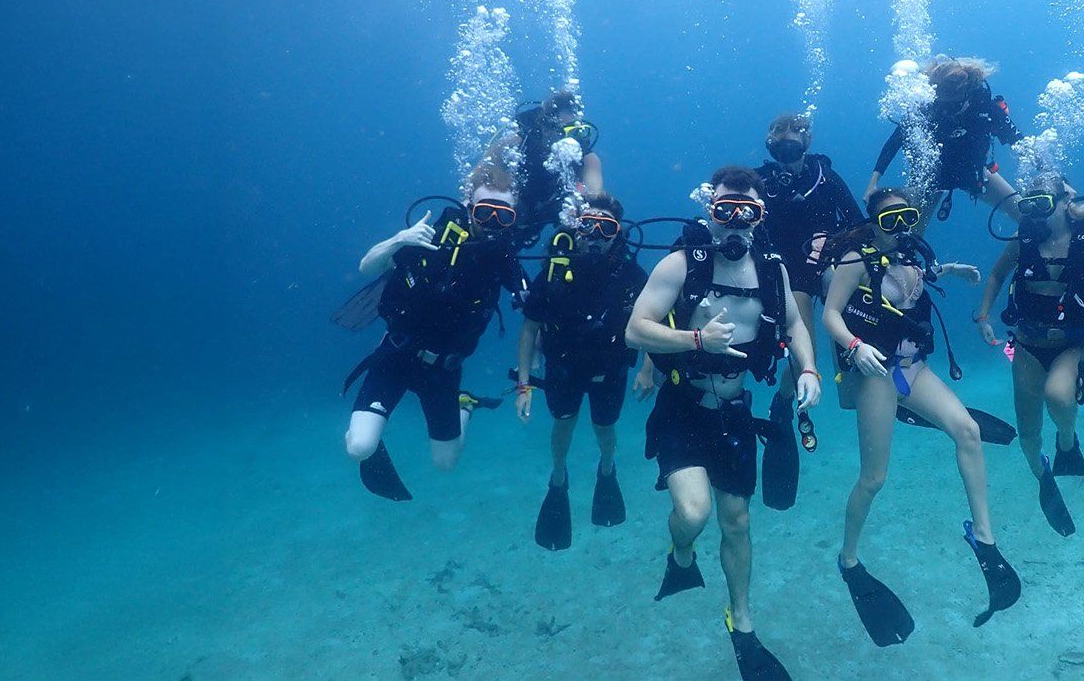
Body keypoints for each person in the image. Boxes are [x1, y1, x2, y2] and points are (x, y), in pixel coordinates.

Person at [624, 166, 822, 680]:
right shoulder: (678, 265)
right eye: (725, 211)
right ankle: (682, 552)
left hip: (733, 411)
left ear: (760, 217)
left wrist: (809, 369)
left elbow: (797, 324)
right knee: (693, 513)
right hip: (681, 406)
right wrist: (695, 341)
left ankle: (743, 619)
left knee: (737, 520)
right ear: (709, 212)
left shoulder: (772, 271)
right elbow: (634, 330)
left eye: (747, 212)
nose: (736, 222)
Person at [820, 190, 1020, 644]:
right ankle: (848, 559)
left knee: (968, 430)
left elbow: (915, 281)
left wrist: (951, 270)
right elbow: (832, 314)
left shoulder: (912, 251)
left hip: (914, 366)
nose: (901, 226)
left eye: (907, 217)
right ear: (873, 223)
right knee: (874, 479)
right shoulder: (855, 259)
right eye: (890, 219)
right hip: (876, 373)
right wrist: (854, 346)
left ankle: (984, 537)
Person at [342, 179, 526, 502]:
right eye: (485, 213)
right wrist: (401, 239)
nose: (494, 224)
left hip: (443, 372)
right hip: (395, 357)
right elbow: (366, 266)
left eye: (504, 216)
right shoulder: (429, 238)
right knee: (360, 447)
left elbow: (534, 302)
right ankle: (371, 433)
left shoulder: (503, 259)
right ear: (469, 208)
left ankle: (464, 405)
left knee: (446, 464)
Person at [512, 193, 651, 551]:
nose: (595, 235)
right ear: (575, 229)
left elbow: (654, 321)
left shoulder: (632, 275)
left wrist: (648, 369)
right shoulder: (554, 271)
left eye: (606, 228)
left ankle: (607, 466)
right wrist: (524, 383)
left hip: (610, 370)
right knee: (564, 425)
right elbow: (529, 329)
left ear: (618, 234)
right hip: (563, 370)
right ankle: (559, 475)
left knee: (605, 428)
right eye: (587, 225)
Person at [974, 180, 1084, 537]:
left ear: (1066, 201)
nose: (1037, 211)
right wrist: (984, 315)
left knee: (1059, 396)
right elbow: (998, 274)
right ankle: (1042, 472)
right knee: (1028, 432)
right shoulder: (1025, 239)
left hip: (1073, 342)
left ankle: (1067, 440)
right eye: (1031, 203)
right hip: (1029, 342)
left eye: (1045, 201)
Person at [754, 112, 864, 509]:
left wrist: (831, 242)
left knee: (851, 297)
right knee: (805, 350)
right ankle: (784, 401)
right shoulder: (760, 181)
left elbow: (857, 223)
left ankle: (859, 379)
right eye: (778, 133)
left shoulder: (825, 176)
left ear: (808, 139)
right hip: (785, 271)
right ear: (769, 141)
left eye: (793, 133)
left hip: (824, 261)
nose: (786, 140)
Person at [867, 56, 1024, 221]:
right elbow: (894, 141)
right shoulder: (928, 106)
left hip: (972, 173)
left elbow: (1018, 141)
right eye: (942, 104)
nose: (947, 111)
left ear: (967, 93)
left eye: (952, 105)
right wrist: (872, 184)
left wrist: (1043, 169)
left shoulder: (985, 107)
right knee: (906, 235)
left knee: (1024, 214)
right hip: (928, 178)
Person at [476, 90, 606, 242]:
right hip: (502, 214)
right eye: (561, 132)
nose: (569, 141)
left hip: (546, 213)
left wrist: (586, 210)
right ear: (545, 128)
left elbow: (595, 197)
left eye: (573, 132)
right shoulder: (514, 143)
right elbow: (477, 178)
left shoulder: (588, 159)